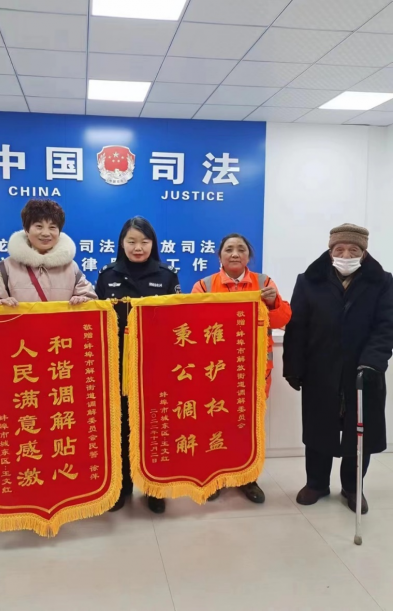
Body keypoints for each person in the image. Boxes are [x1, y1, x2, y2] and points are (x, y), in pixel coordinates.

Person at [283, 224, 393, 513]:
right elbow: (297, 327)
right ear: (330, 250)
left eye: (353, 249)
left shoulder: (382, 281)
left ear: (364, 253)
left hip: (364, 369)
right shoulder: (309, 280)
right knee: (319, 428)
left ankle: (352, 487)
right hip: (320, 368)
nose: (346, 255)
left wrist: (372, 362)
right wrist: (293, 366)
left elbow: (386, 327)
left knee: (360, 432)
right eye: (339, 249)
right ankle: (316, 483)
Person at [192, 233, 291, 504]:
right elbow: (194, 324)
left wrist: (273, 303)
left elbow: (282, 320)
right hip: (216, 371)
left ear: (249, 255)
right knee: (215, 423)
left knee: (249, 426)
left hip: (255, 371)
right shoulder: (204, 285)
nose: (235, 254)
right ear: (219, 256)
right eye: (229, 249)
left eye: (241, 249)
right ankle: (216, 477)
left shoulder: (264, 283)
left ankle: (248, 478)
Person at [95, 217, 181, 514]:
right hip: (117, 364)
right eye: (131, 241)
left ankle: (155, 486)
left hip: (156, 364)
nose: (138, 247)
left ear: (153, 244)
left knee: (155, 423)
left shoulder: (167, 276)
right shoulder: (107, 275)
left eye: (144, 242)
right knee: (121, 424)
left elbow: (177, 322)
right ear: (122, 243)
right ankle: (122, 486)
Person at [0, 200, 96, 305]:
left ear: (59, 231)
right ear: (26, 230)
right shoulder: (5, 268)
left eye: (52, 227)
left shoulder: (71, 267)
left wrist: (82, 300)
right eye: (39, 226)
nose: (46, 233)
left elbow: (91, 300)